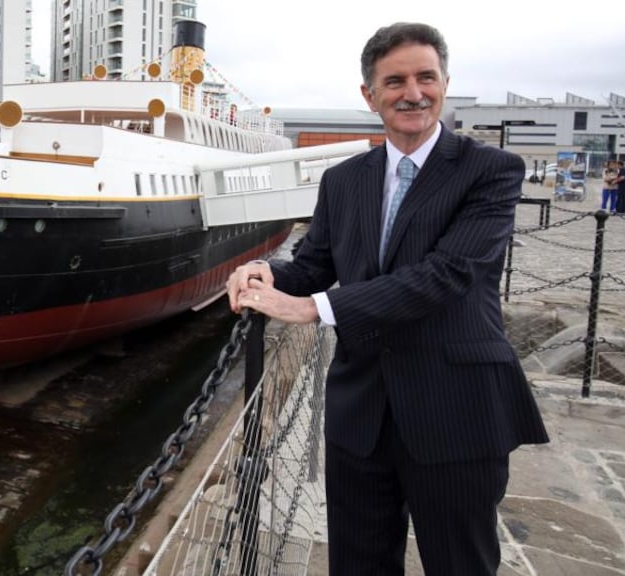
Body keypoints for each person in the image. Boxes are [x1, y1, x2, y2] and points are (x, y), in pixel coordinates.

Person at [226, 22, 548, 575]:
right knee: (358, 564)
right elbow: (314, 266)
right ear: (369, 95)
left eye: (426, 76)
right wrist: (265, 273)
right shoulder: (344, 180)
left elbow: (448, 274)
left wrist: (314, 310)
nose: (413, 92)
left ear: (445, 82)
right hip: (363, 411)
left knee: (460, 564)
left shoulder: (489, 170)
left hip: (456, 406)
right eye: (394, 81)